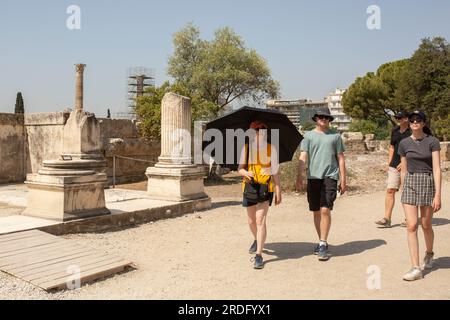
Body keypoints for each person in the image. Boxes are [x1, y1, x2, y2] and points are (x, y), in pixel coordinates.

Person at [296, 109, 347, 261]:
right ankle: (321, 240)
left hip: (330, 176)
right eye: (321, 117)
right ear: (316, 119)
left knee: (325, 209)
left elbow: (341, 158)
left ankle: (323, 243)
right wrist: (299, 175)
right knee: (316, 211)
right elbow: (303, 156)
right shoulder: (308, 136)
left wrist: (343, 179)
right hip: (313, 177)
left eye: (326, 117)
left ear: (329, 119)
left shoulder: (335, 136)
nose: (324, 119)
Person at [398, 111, 442, 281]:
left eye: (419, 120)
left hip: (427, 183)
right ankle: (416, 268)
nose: (415, 122)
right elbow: (404, 169)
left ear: (423, 123)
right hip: (410, 184)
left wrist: (438, 195)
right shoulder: (404, 143)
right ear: (408, 123)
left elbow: (437, 169)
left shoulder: (433, 142)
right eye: (412, 120)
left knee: (425, 225)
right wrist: (403, 190)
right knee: (411, 226)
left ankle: (429, 253)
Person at [238, 120, 282, 269]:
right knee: (251, 221)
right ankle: (257, 239)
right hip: (249, 187)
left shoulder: (271, 149)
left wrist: (278, 189)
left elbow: (275, 170)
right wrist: (246, 172)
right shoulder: (246, 148)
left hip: (265, 188)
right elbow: (240, 169)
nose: (261, 133)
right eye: (257, 130)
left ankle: (259, 255)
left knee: (259, 219)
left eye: (263, 130)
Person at [375, 111, 411, 228]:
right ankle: (387, 219)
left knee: (406, 192)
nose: (398, 119)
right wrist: (389, 163)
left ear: (406, 118)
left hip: (408, 166)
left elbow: (415, 148)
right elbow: (391, 147)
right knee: (390, 190)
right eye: (397, 117)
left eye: (400, 117)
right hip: (394, 165)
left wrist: (405, 162)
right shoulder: (394, 130)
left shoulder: (412, 131)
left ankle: (409, 218)